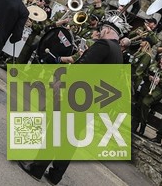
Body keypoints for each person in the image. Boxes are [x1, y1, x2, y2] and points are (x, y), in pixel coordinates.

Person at [18, 16, 125, 185]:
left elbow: (82, 69)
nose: (100, 32)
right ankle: (55, 175)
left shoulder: (104, 45)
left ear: (108, 30)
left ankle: (37, 168)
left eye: (102, 29)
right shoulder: (118, 52)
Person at [133, 51, 162, 135]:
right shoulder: (153, 66)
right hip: (146, 87)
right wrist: (149, 77)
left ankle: (143, 124)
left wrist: (160, 81)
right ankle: (134, 124)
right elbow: (144, 74)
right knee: (139, 104)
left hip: (157, 90)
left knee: (145, 103)